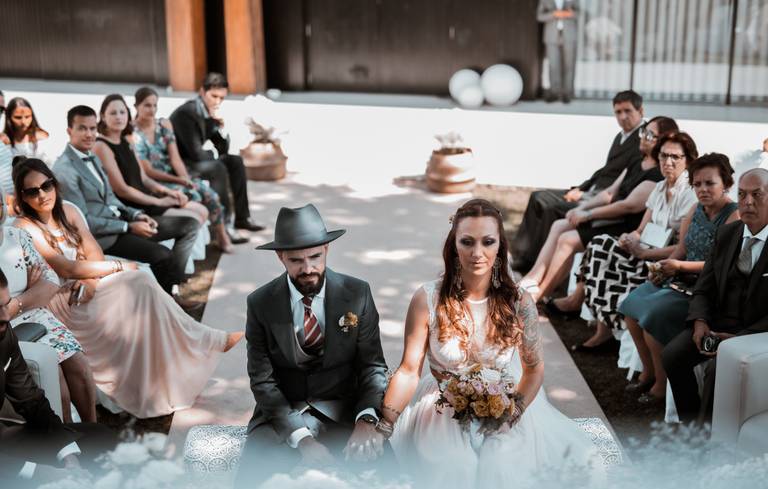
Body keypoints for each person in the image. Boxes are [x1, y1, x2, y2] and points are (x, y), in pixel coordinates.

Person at [372, 199, 601, 488]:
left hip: (503, 404)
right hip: (442, 405)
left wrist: (512, 414)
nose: (477, 253)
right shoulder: (427, 299)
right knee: (456, 467)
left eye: (488, 242)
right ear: (453, 245)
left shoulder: (519, 302)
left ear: (500, 245)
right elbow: (408, 371)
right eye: (467, 242)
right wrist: (384, 425)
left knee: (502, 465)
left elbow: (533, 370)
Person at [12, 157, 243, 418]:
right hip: (61, 300)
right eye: (32, 191)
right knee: (138, 280)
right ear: (22, 197)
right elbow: (66, 268)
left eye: (46, 186)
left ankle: (172, 372)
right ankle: (205, 340)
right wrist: (118, 266)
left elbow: (94, 252)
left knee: (141, 284)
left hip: (86, 285)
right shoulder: (24, 226)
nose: (42, 195)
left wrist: (90, 280)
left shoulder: (69, 211)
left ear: (54, 184)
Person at [236, 204, 388, 487]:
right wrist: (302, 439)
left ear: (326, 250)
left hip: (344, 412)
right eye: (296, 260)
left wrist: (366, 420)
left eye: (315, 257)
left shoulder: (357, 293)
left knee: (387, 476)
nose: (308, 269)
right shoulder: (260, 303)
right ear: (280, 257)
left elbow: (373, 367)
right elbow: (262, 381)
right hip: (282, 416)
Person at [563, 131, 699, 352]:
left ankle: (608, 326)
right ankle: (605, 327)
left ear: (688, 160)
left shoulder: (690, 194)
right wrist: (630, 238)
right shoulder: (660, 187)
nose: (668, 162)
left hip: (663, 259)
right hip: (643, 250)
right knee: (599, 245)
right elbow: (641, 229)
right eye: (664, 156)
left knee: (605, 255)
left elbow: (683, 248)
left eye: (675, 156)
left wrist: (643, 253)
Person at [619, 153, 739, 404]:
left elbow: (720, 265)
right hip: (678, 277)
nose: (702, 189)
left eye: (710, 183)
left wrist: (679, 266)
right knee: (630, 306)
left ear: (726, 183)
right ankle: (648, 372)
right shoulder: (695, 209)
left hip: (705, 288)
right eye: (697, 184)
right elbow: (682, 247)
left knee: (653, 317)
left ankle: (662, 385)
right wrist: (663, 268)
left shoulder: (733, 215)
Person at [520, 117, 672, 302]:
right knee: (560, 225)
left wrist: (588, 215)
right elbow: (609, 193)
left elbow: (627, 206)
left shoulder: (656, 175)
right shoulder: (637, 160)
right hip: (610, 218)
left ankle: (539, 294)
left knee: (568, 240)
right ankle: (532, 278)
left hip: (625, 228)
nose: (643, 137)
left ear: (662, 141)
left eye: (650, 134)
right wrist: (582, 207)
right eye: (644, 131)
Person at [53, 105, 197, 300]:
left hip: (120, 223)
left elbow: (110, 197)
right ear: (69, 130)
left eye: (93, 128)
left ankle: (172, 288)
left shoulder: (91, 155)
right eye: (82, 128)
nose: (89, 134)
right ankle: (169, 302)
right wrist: (128, 227)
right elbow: (83, 222)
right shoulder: (65, 170)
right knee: (163, 255)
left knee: (189, 225)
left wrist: (137, 215)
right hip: (102, 238)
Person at [662, 168, 768, 424]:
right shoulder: (727, 234)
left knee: (717, 369)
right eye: (742, 195)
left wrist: (739, 339)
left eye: (757, 195)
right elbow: (704, 286)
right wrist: (699, 321)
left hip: (756, 332)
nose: (748, 202)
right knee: (673, 355)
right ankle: (692, 429)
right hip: (716, 323)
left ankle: (712, 436)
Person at [0, 268, 117, 486]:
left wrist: (67, 455)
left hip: (5, 439)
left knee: (98, 438)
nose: (6, 316)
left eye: (6, 305)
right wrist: (34, 470)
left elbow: (30, 400)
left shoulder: (4, 335)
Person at [512, 90, 649, 272]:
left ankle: (539, 264)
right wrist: (581, 188)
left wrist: (586, 195)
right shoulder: (621, 136)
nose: (623, 117)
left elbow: (622, 181)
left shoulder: (642, 141)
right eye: (618, 112)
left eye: (628, 111)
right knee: (538, 197)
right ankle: (524, 255)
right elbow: (605, 170)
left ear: (641, 111)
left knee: (551, 208)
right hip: (591, 190)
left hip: (603, 197)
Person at [0, 187, 97, 423]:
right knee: (56, 381)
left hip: (32, 313)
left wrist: (17, 302)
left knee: (80, 366)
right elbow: (38, 289)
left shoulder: (17, 237)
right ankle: (67, 437)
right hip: (5, 326)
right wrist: (31, 290)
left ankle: (92, 431)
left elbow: (50, 282)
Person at [132, 86, 235, 252]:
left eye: (155, 105)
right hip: (155, 182)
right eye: (147, 105)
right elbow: (148, 171)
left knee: (208, 193)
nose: (152, 110)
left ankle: (222, 236)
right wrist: (178, 180)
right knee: (193, 195)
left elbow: (175, 158)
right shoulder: (133, 132)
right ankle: (197, 237)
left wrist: (185, 179)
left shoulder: (163, 124)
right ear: (136, 106)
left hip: (174, 175)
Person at [170, 72, 264, 241]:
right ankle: (225, 226)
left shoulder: (207, 111)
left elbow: (222, 149)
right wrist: (215, 155)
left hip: (195, 160)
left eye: (222, 98)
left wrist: (217, 126)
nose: (218, 101)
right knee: (218, 167)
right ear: (202, 91)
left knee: (235, 161)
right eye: (214, 96)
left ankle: (242, 218)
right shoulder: (187, 113)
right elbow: (195, 153)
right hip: (181, 165)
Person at [537, 0, 579, 103]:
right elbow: (539, 16)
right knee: (553, 65)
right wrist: (554, 14)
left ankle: (567, 93)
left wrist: (569, 14)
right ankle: (554, 93)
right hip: (551, 36)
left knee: (569, 65)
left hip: (569, 36)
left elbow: (579, 13)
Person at [2, 97, 54, 165]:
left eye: (27, 116)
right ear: (9, 117)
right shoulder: (3, 140)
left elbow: (50, 162)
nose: (23, 122)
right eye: (18, 117)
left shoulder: (41, 137)